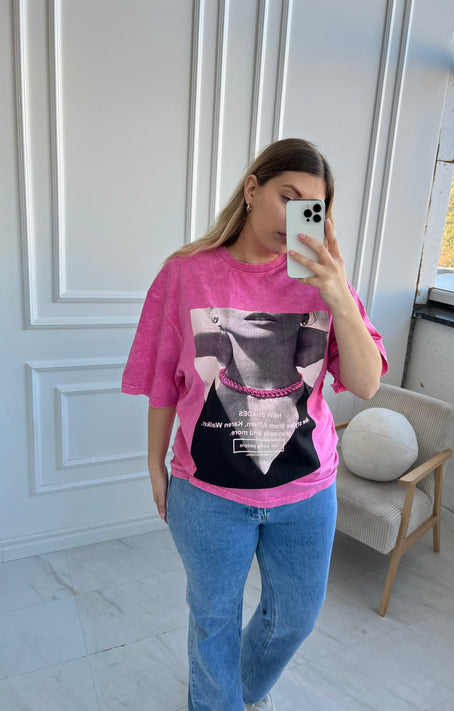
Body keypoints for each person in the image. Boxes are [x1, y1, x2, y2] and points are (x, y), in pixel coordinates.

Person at [122, 138, 388, 711]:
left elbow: (365, 383)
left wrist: (338, 295)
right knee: (213, 619)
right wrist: (154, 463)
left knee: (295, 616)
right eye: (287, 197)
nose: (296, 215)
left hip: (305, 490)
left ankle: (238, 691)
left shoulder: (324, 282)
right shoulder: (186, 274)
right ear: (251, 189)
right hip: (208, 493)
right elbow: (164, 379)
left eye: (311, 207)